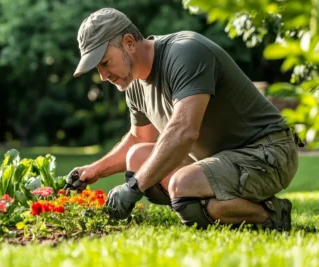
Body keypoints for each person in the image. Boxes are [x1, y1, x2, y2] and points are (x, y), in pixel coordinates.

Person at [65, 7, 302, 230]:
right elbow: (139, 139)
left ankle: (271, 215)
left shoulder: (185, 52)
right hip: (217, 160)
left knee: (182, 185)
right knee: (137, 158)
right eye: (97, 69)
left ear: (128, 43)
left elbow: (184, 130)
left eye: (105, 63)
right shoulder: (134, 84)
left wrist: (133, 187)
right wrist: (94, 170)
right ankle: (211, 204)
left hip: (268, 152)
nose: (103, 76)